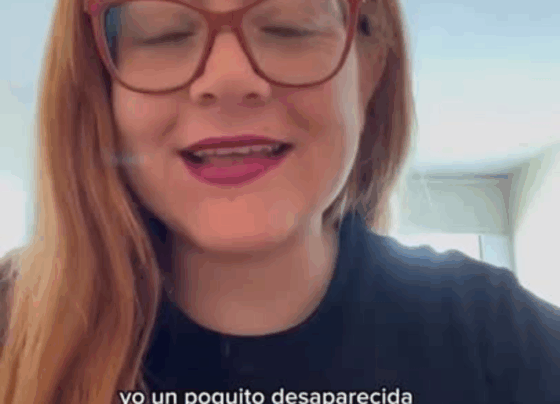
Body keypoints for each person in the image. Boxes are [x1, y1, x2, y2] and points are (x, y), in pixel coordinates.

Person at [1, 0, 559, 403]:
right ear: (100, 88)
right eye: (164, 33)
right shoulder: (10, 324)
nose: (229, 78)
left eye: (291, 25)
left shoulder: (502, 342)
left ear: (369, 70)